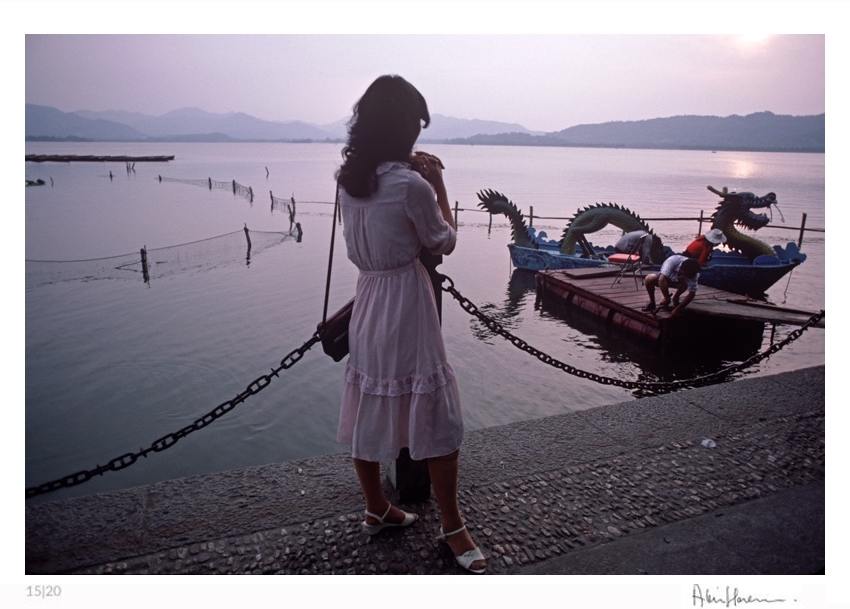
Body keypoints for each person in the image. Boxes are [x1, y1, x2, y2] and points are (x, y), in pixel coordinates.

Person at [334, 75, 485, 574]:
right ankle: (453, 526)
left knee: (370, 404)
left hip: (367, 301)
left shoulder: (349, 182)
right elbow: (443, 241)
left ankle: (377, 507)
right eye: (416, 125)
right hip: (406, 303)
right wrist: (438, 182)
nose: (418, 133)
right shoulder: (411, 186)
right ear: (402, 128)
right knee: (438, 417)